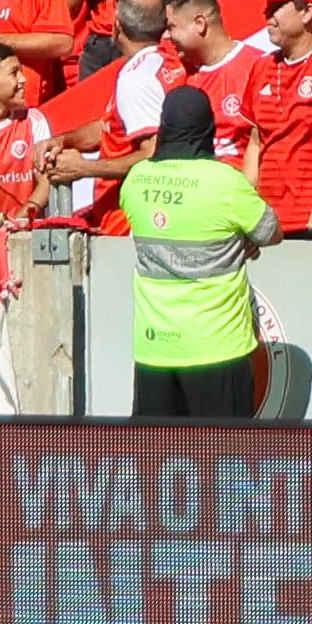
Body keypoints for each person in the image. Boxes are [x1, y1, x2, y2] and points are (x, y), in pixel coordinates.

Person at [122, 80, 278, 416]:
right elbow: (271, 231)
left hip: (155, 351)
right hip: (217, 349)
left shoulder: (135, 181)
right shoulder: (225, 182)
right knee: (221, 461)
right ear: (208, 128)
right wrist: (241, 239)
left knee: (158, 462)